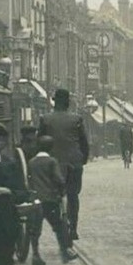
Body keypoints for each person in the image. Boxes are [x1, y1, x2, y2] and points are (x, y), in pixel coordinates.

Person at [37, 89, 88, 241]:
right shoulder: (77, 119)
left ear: (54, 102)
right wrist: (83, 159)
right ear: (68, 103)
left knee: (53, 197)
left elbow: (39, 142)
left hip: (52, 165)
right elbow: (84, 142)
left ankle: (60, 227)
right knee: (73, 196)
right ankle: (74, 228)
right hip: (74, 163)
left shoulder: (45, 119)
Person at [27, 136, 77, 265]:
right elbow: (59, 179)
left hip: (35, 200)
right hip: (50, 200)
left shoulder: (31, 162)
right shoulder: (52, 161)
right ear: (51, 148)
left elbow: (29, 179)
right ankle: (65, 251)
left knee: (35, 230)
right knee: (59, 226)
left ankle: (36, 255)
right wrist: (62, 191)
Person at [0, 121, 25, 265]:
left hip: (6, 225)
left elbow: (23, 194)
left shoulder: (11, 164)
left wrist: (7, 191)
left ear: (4, 143)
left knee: (4, 262)